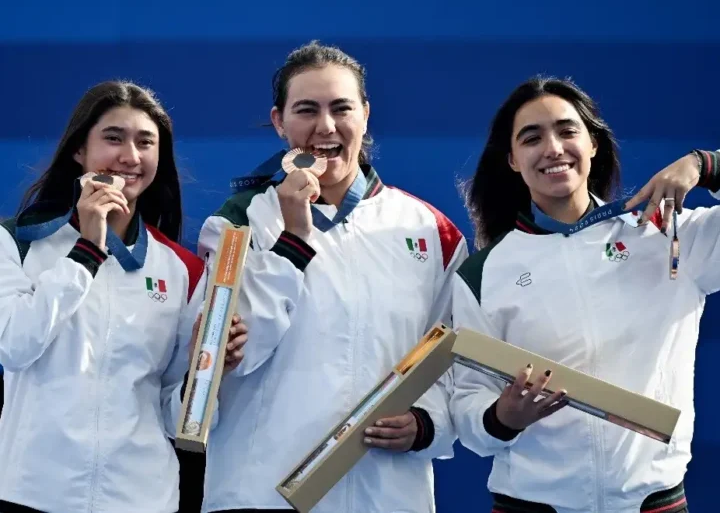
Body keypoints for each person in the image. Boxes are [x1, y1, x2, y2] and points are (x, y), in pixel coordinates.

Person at [191, 40, 468, 512]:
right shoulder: (238, 223)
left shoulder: (431, 231)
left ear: (365, 114)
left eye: (341, 108)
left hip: (387, 494)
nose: (326, 127)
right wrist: (293, 240)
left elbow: (453, 361)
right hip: (261, 491)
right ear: (279, 121)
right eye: (306, 110)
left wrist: (427, 422)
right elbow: (232, 356)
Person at [449, 75, 719, 513]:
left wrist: (705, 164)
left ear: (593, 143)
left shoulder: (666, 235)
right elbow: (466, 405)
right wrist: (502, 417)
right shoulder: (482, 274)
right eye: (532, 137)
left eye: (567, 130)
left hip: (653, 502)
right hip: (531, 504)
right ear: (513, 161)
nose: (553, 148)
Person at [0, 80, 248, 513]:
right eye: (113, 138)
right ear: (80, 150)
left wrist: (207, 373)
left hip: (141, 498)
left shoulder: (182, 270)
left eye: (145, 143)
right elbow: (16, 346)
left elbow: (176, 417)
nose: (129, 157)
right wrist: (88, 251)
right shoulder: (17, 243)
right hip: (33, 493)